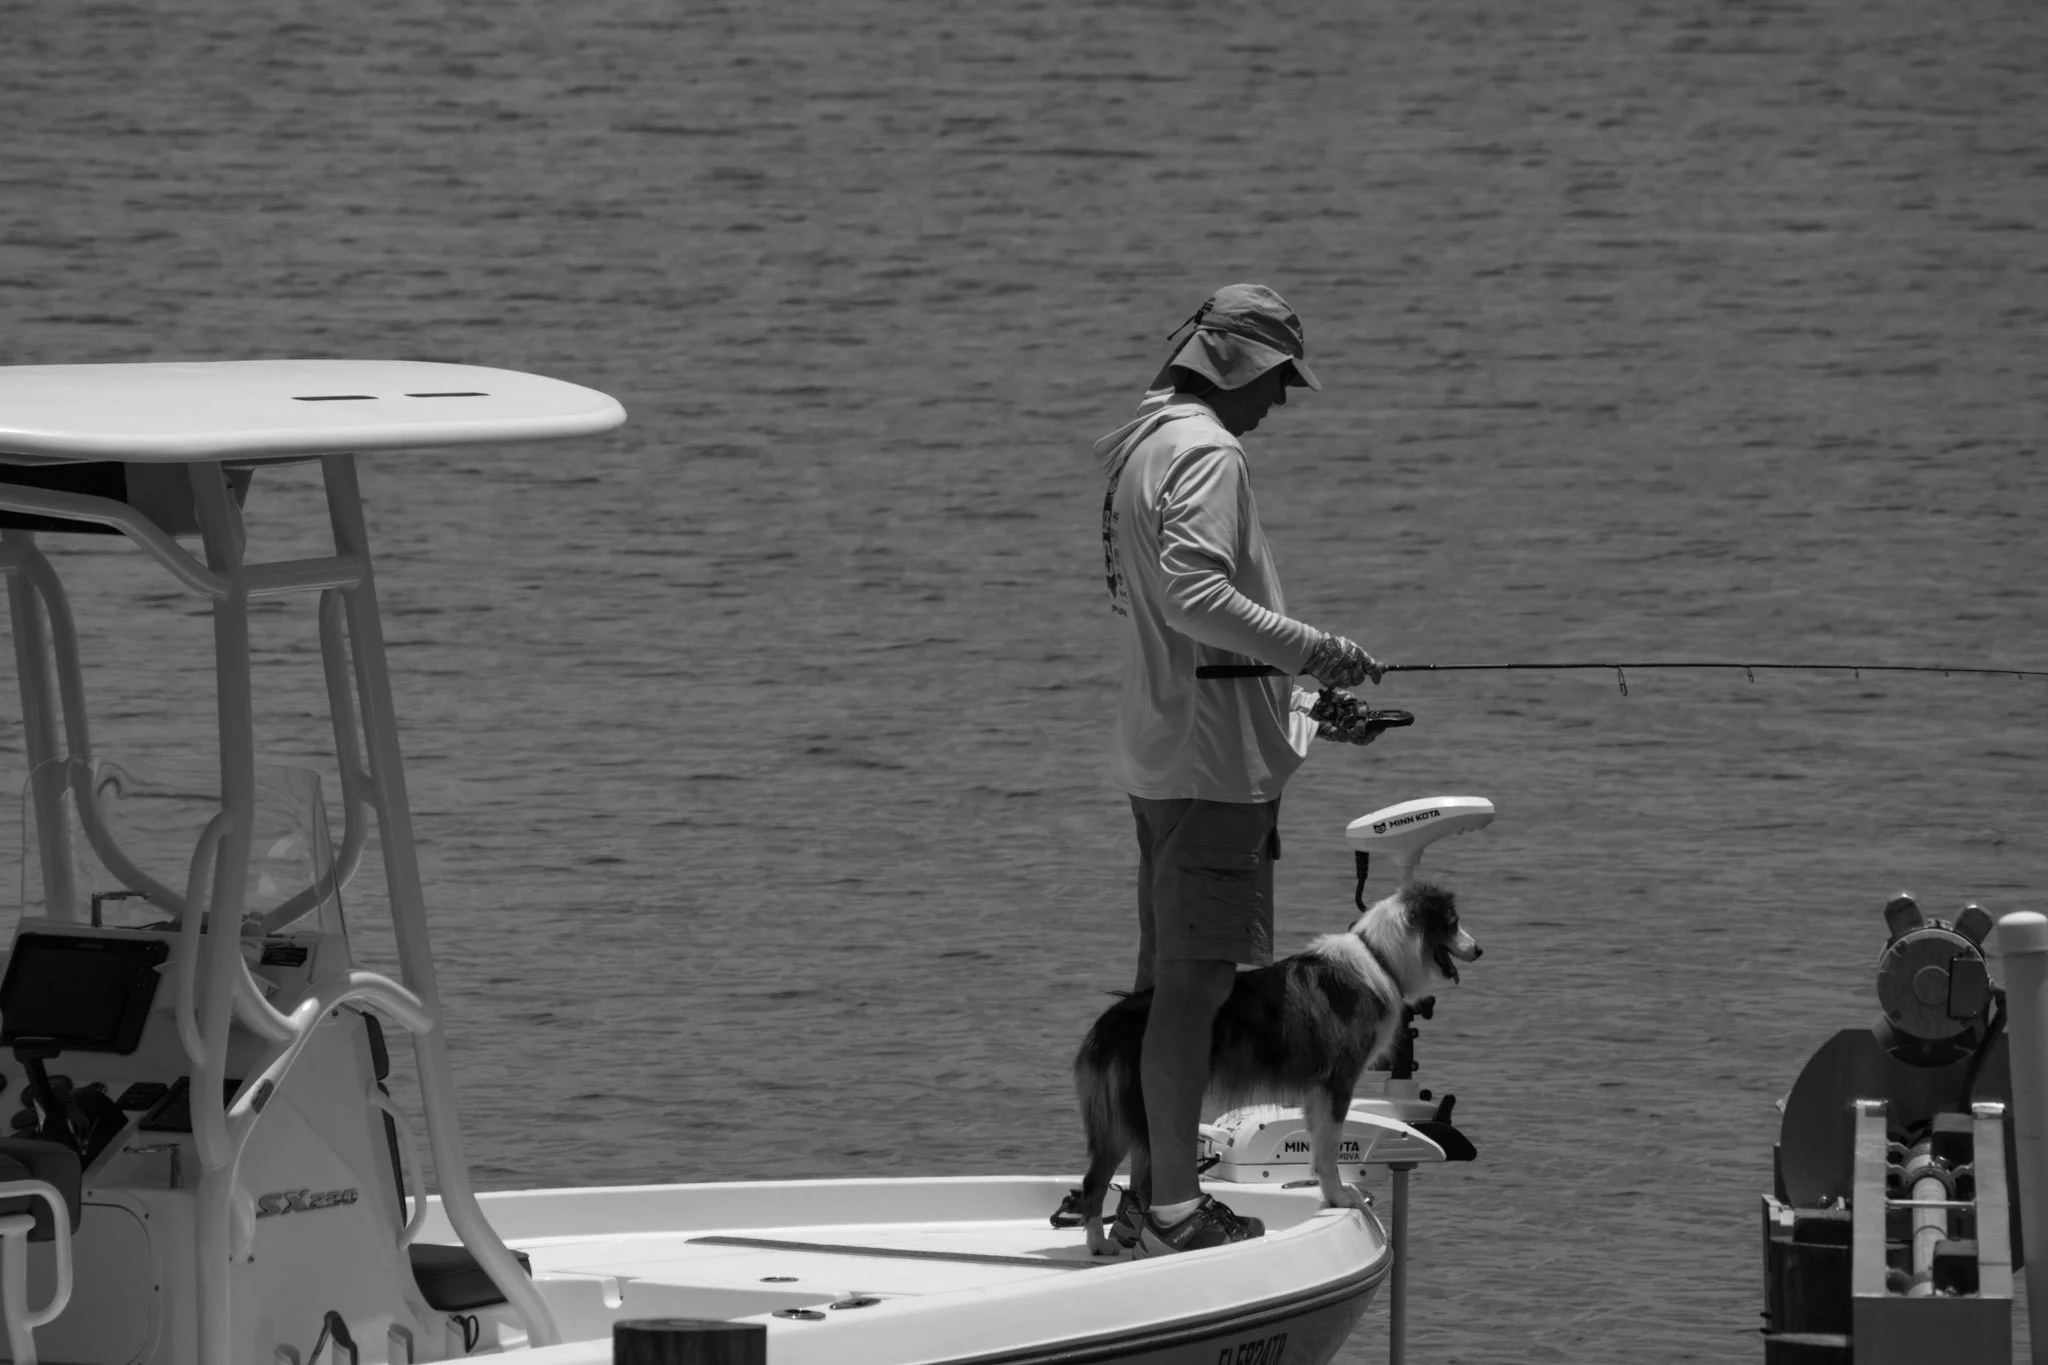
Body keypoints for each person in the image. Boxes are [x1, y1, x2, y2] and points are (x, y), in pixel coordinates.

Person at [1093, 282, 1384, 1256]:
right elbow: (1194, 600)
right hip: (1208, 773)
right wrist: (1312, 650)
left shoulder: (1140, 445)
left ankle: (1145, 1193)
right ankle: (1171, 1211)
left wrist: (1303, 706)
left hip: (1163, 751)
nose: (1282, 402)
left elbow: (1192, 641)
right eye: (1280, 381)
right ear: (1243, 367)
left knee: (1162, 987)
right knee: (1191, 991)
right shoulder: (1209, 451)